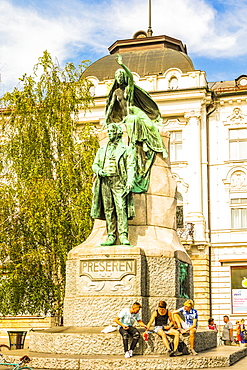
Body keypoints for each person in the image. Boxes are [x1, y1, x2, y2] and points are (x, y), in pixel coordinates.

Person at [103, 54, 168, 193]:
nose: (120, 78)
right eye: (118, 76)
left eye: (121, 76)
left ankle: (154, 146)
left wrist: (122, 65)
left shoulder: (129, 89)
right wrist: (105, 121)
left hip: (133, 113)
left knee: (148, 125)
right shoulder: (116, 92)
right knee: (131, 122)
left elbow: (131, 79)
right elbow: (110, 108)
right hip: (124, 118)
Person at [91, 123, 136, 246]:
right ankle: (111, 235)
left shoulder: (126, 150)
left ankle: (123, 236)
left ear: (117, 133)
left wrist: (130, 181)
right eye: (108, 132)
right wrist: (99, 170)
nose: (109, 134)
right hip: (105, 182)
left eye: (111, 132)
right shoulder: (102, 150)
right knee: (108, 209)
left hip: (119, 181)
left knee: (121, 208)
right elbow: (95, 165)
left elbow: (131, 166)